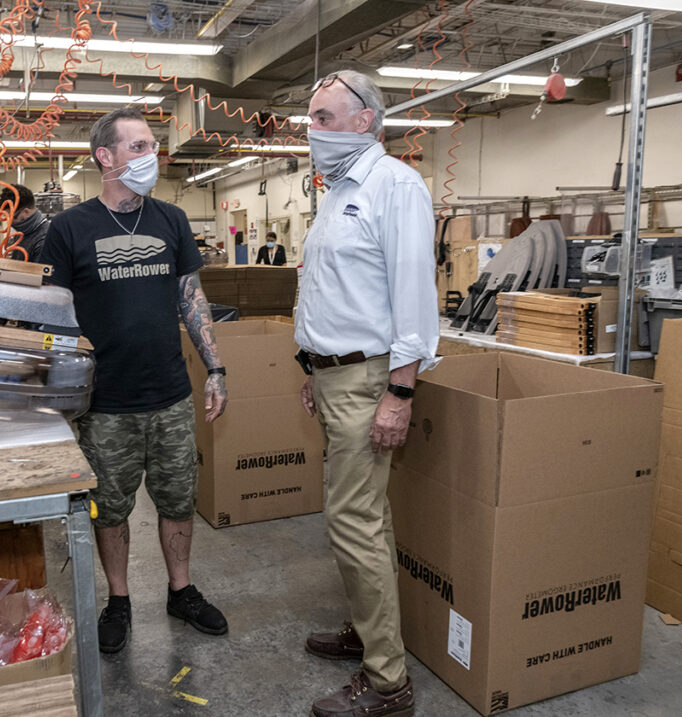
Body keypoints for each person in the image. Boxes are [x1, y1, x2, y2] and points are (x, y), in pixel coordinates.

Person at [39, 107, 229, 654]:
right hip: (104, 402)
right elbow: (52, 316)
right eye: (140, 147)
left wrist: (214, 368)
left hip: (170, 394)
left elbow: (191, 300)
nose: (153, 156)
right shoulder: (70, 229)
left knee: (177, 499)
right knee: (111, 507)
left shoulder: (171, 220)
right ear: (106, 157)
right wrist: (57, 394)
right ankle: (118, 599)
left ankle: (181, 589)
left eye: (152, 145)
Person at [293, 69, 439, 717]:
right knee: (369, 522)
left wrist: (399, 393)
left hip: (368, 379)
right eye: (310, 117)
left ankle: (388, 684)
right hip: (332, 376)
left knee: (352, 522)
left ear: (364, 120)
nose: (311, 129)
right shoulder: (337, 192)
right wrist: (311, 365)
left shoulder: (395, 187)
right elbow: (330, 289)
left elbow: (414, 300)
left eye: (323, 117)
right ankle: (369, 630)